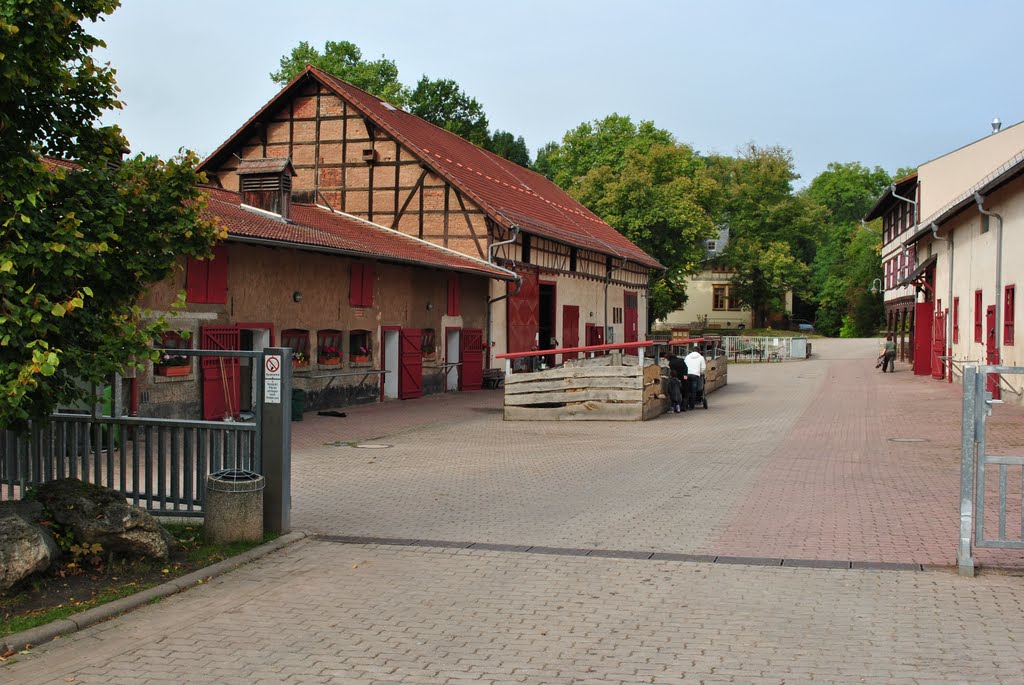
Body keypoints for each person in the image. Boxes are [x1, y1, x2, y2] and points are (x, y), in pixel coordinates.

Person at [684, 345, 707, 409]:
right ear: (698, 351)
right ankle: (692, 405)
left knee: (688, 389)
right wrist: (701, 373)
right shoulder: (701, 358)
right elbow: (703, 368)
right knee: (694, 390)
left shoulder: (687, 357)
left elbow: (685, 365)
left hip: (688, 374)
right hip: (695, 375)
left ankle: (686, 403)